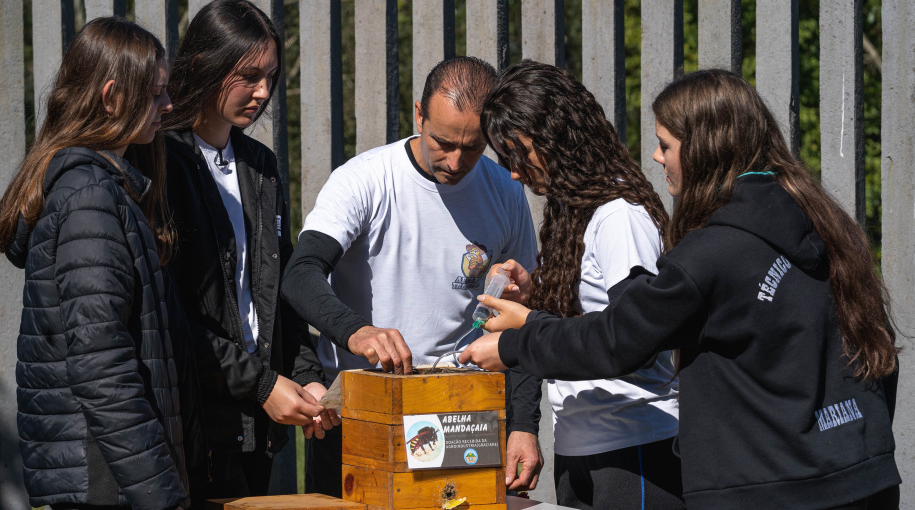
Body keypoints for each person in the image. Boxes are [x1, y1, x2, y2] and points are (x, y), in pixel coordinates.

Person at [461, 69, 901, 509]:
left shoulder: (709, 251)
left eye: (666, 145)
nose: (655, 157)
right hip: (861, 473)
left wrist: (522, 336)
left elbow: (620, 339)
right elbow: (879, 356)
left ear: (706, 149)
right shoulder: (825, 223)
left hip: (769, 487)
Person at [281, 56, 544, 497]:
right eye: (442, 142)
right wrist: (358, 333)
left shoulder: (505, 191)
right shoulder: (364, 180)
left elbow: (522, 320)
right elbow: (300, 273)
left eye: (474, 147)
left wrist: (523, 425)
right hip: (360, 412)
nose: (457, 160)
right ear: (419, 114)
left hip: (463, 415)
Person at [0, 17, 189, 509]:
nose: (167, 107)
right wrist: (159, 494)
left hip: (108, 475)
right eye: (155, 94)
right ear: (111, 97)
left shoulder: (103, 188)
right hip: (107, 482)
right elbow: (101, 366)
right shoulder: (89, 198)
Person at [479, 61, 683, 509]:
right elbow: (592, 315)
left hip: (634, 449)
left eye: (520, 154)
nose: (514, 173)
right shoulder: (573, 211)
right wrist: (537, 293)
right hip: (581, 447)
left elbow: (637, 337)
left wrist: (528, 325)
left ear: (558, 139)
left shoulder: (618, 217)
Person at [162, 0, 337, 501]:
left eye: (271, 76)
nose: (263, 92)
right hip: (193, 419)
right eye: (249, 75)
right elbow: (171, 316)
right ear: (202, 65)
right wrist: (262, 384)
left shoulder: (259, 164)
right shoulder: (163, 161)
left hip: (257, 426)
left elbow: (277, 289)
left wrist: (307, 378)